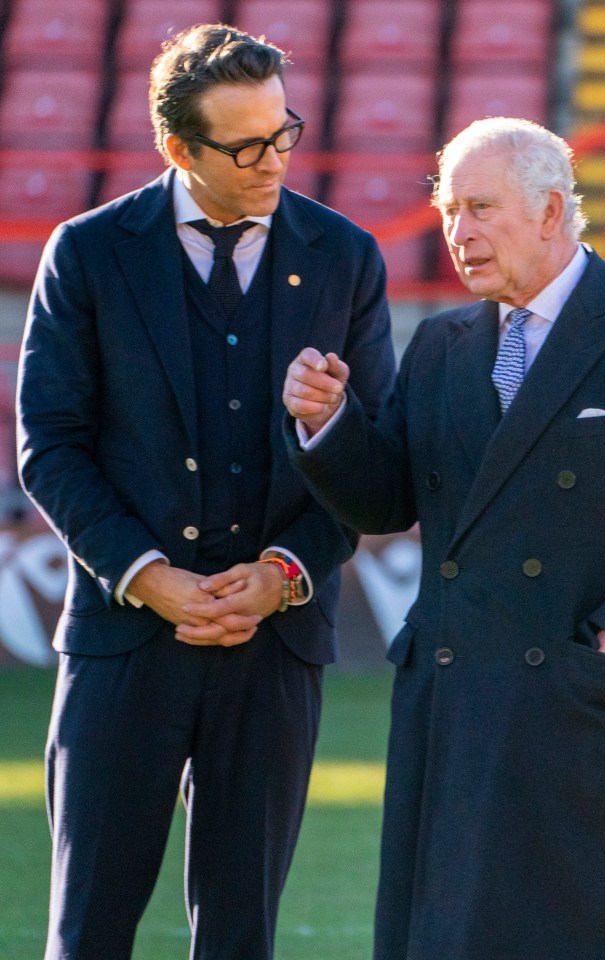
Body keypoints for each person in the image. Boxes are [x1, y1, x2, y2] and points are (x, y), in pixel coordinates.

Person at [282, 117, 605, 960]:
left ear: (551, 211)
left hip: (579, 701)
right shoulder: (442, 343)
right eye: (451, 211)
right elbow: (389, 502)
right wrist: (329, 426)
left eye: (482, 208)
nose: (460, 233)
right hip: (450, 705)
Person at [16, 23, 395, 960]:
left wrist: (284, 573)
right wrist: (147, 576)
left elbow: (376, 460)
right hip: (121, 641)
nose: (275, 159)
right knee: (87, 930)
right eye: (247, 145)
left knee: (241, 937)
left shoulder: (347, 255)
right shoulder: (89, 252)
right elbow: (50, 446)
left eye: (285, 132)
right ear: (178, 148)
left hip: (276, 650)